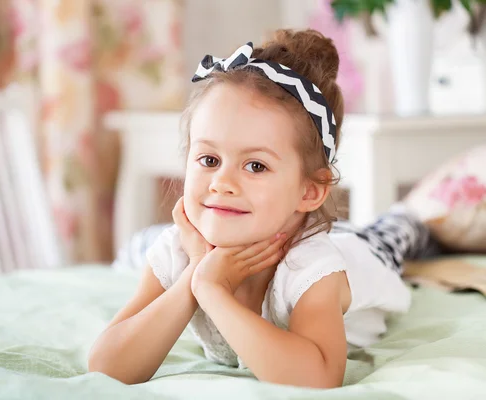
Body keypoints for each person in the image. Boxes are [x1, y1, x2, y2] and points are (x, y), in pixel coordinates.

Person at [88, 29, 437, 388]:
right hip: (283, 234)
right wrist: (194, 275)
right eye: (209, 159)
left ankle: (414, 215)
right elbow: (105, 366)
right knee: (145, 245)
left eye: (255, 166)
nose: (221, 182)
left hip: (363, 252)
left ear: (310, 191)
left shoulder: (310, 265)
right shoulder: (179, 250)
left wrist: (213, 291)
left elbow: (318, 378)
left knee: (395, 233)